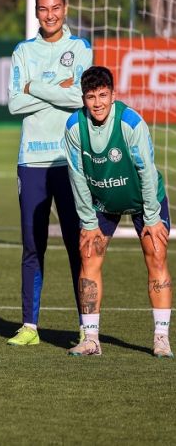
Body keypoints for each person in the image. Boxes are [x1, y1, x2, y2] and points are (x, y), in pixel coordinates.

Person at [6, 0, 92, 346]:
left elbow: (81, 99)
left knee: (77, 244)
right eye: (43, 9)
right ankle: (30, 327)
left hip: (70, 160)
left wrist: (35, 86)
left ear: (65, 9)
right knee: (32, 245)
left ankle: (86, 326)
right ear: (36, 13)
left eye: (55, 8)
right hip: (32, 162)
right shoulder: (23, 51)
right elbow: (13, 103)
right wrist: (59, 87)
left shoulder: (82, 48)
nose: (50, 15)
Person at [64, 66, 172, 357]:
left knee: (157, 256)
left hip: (143, 201)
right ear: (83, 98)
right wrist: (87, 221)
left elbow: (147, 172)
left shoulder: (130, 123)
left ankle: (161, 338)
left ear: (113, 95)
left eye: (103, 95)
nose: (97, 103)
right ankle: (91, 339)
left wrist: (151, 217)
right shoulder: (74, 127)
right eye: (90, 97)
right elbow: (76, 174)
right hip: (102, 203)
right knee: (88, 257)